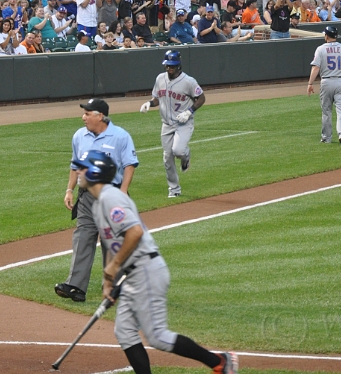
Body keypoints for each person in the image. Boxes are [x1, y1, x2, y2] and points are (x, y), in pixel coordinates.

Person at [69, 150, 238, 374]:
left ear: (95, 172)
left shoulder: (112, 198)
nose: (78, 172)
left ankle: (220, 362)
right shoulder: (99, 205)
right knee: (125, 332)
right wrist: (108, 281)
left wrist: (112, 268)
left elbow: (135, 232)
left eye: (83, 167)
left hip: (146, 270)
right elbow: (112, 243)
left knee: (158, 337)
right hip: (133, 273)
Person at [54, 99, 139, 304]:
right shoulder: (79, 136)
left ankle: (113, 286)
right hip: (86, 197)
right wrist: (69, 190)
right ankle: (75, 286)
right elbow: (75, 166)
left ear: (100, 116)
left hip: (111, 195)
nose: (83, 117)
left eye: (87, 113)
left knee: (111, 242)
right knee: (83, 237)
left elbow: (129, 164)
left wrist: (124, 190)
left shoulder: (120, 136)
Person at [139, 51, 205, 198]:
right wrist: (149, 103)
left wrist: (189, 111)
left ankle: (186, 156)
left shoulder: (188, 81)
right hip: (166, 124)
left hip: (183, 123)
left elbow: (201, 98)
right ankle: (174, 189)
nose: (169, 69)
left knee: (179, 151)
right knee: (167, 158)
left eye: (172, 66)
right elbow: (157, 98)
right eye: (167, 66)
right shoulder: (160, 79)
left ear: (178, 66)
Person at [306, 26, 341, 146]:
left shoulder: (320, 49)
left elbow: (316, 67)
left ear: (326, 36)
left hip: (326, 82)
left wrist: (310, 83)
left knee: (326, 111)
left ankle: (326, 138)